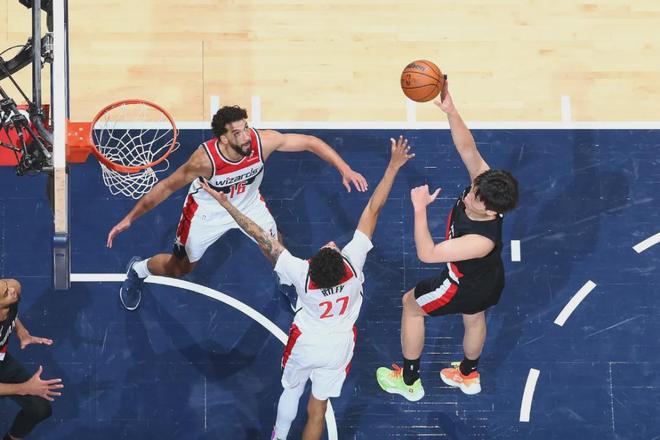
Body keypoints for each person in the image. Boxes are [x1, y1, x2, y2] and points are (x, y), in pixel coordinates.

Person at [200, 136, 414, 440]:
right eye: (333, 247)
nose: (332, 243)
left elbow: (258, 233)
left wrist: (226, 204)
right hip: (338, 348)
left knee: (292, 389)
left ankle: (279, 436)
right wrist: (393, 167)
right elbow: (373, 209)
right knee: (318, 407)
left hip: (307, 343)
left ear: (313, 265)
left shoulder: (301, 273)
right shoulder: (353, 267)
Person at [106, 105, 368, 310]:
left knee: (276, 249)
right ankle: (138, 270)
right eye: (237, 133)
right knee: (179, 269)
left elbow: (310, 142)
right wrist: (131, 217)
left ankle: (286, 282)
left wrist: (344, 168)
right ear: (223, 138)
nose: (245, 137)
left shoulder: (262, 142)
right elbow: (166, 187)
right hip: (207, 213)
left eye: (246, 128)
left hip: (248, 205)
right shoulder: (204, 161)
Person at [376, 83, 519, 400]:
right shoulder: (486, 187)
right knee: (475, 317)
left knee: (411, 305)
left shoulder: (480, 241)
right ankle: (468, 374)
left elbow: (428, 253)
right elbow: (468, 149)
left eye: (476, 199)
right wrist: (452, 112)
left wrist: (419, 209)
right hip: (490, 279)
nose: (469, 195)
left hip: (461, 285)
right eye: (473, 190)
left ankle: (409, 381)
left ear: (492, 211)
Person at [0, 279, 63, 439]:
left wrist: (23, 332)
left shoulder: (11, 292)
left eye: (5, 284)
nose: (12, 290)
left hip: (2, 361)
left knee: (40, 409)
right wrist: (24, 388)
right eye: (6, 293)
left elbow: (11, 314)